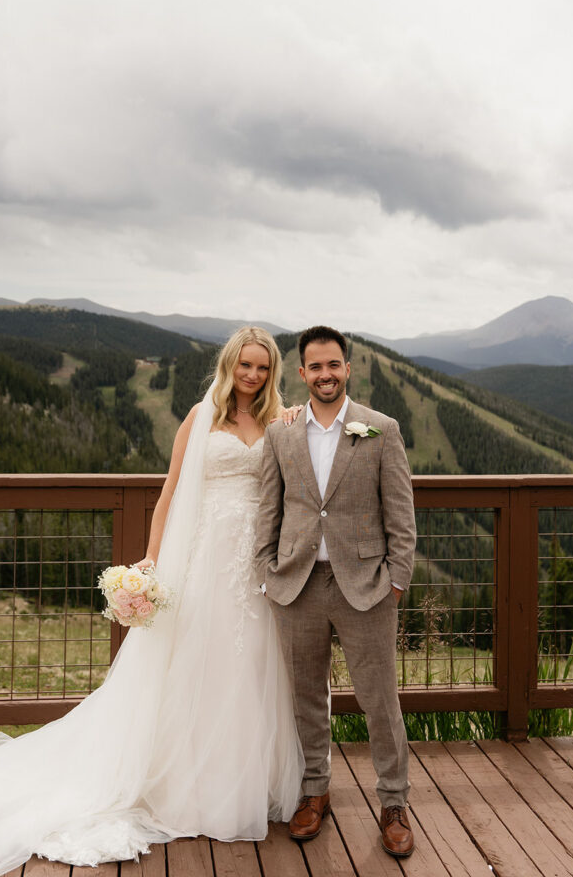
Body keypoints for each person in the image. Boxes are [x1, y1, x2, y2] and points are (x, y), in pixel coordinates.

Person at [0, 326, 304, 877]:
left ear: (273, 373)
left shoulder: (278, 421)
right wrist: (150, 560)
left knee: (250, 666)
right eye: (245, 365)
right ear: (228, 366)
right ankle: (185, 783)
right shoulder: (200, 417)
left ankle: (243, 782)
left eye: (263, 368)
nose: (253, 376)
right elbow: (171, 492)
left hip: (255, 563)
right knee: (196, 662)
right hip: (204, 558)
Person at [254, 325, 417, 856]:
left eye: (334, 365)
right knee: (305, 698)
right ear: (302, 374)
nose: (325, 375)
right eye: (315, 367)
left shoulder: (380, 429)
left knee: (379, 700)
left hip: (366, 587)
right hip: (296, 584)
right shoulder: (281, 432)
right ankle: (314, 792)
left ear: (348, 368)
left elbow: (401, 514)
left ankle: (394, 803)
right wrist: (267, 571)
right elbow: (268, 510)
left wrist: (396, 581)